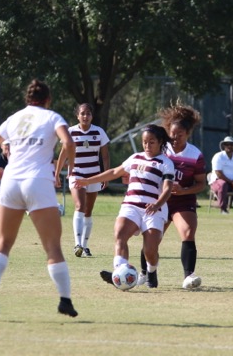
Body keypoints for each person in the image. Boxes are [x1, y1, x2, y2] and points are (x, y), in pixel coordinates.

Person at [0, 79, 78, 319]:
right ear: (48, 99)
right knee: (52, 246)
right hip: (38, 181)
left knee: (3, 242)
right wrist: (70, 167)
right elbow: (68, 142)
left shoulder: (14, 118)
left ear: (27, 99)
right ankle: (65, 300)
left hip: (11, 181)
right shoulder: (52, 117)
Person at [74, 124, 174, 289]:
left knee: (150, 250)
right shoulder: (135, 158)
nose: (147, 146)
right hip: (131, 205)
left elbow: (168, 188)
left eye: (152, 142)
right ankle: (119, 273)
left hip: (154, 210)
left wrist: (157, 204)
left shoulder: (166, 163)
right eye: (144, 142)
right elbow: (114, 172)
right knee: (120, 234)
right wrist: (88, 180)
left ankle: (151, 271)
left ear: (160, 142)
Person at [137, 103, 206, 289]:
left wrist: (184, 190)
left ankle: (188, 276)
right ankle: (145, 273)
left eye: (179, 135)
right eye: (172, 134)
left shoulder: (195, 155)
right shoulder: (161, 150)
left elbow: (201, 184)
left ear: (188, 134)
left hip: (183, 201)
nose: (174, 138)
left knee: (188, 233)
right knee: (152, 241)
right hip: (159, 200)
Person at [55, 103, 110, 258]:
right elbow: (63, 155)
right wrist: (57, 174)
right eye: (82, 113)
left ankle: (85, 246)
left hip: (94, 175)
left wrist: (106, 175)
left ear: (92, 116)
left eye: (88, 114)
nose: (85, 116)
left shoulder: (99, 132)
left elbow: (105, 156)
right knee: (80, 206)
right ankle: (77, 244)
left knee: (88, 211)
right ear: (77, 115)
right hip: (76, 173)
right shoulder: (70, 132)